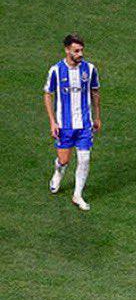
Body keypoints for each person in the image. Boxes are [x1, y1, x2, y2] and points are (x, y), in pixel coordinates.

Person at [44, 33, 101, 211]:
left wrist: (97, 116)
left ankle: (77, 195)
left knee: (84, 159)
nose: (80, 54)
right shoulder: (56, 70)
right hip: (65, 125)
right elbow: (48, 94)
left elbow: (95, 92)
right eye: (76, 51)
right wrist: (53, 122)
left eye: (82, 50)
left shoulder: (90, 69)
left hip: (84, 124)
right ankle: (58, 172)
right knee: (64, 159)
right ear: (67, 50)